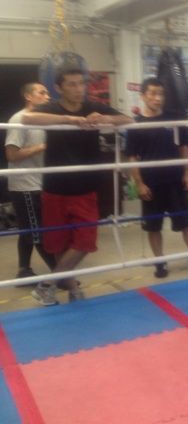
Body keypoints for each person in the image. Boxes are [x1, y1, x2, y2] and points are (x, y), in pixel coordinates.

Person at [22, 67, 133, 305]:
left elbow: (128, 119)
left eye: (81, 83)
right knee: (58, 243)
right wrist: (69, 120)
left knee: (85, 241)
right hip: (55, 187)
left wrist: (106, 119)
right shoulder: (52, 108)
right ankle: (72, 288)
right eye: (71, 84)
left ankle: (47, 284)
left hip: (86, 187)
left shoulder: (93, 107)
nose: (78, 89)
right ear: (59, 88)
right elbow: (27, 118)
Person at [126, 78, 188, 278]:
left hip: (175, 179)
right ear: (143, 96)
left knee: (186, 221)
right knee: (153, 226)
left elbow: (183, 147)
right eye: (152, 93)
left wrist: (186, 172)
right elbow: (132, 156)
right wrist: (139, 183)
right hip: (151, 182)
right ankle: (160, 262)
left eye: (160, 94)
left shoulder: (173, 119)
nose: (157, 98)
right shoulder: (136, 124)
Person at [5, 82, 57, 281]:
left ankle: (23, 270)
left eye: (47, 92)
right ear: (28, 96)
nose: (47, 96)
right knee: (37, 231)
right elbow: (12, 155)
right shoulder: (19, 119)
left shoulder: (44, 120)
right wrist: (42, 146)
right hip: (25, 185)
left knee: (28, 228)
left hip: (39, 182)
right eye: (42, 92)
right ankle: (61, 274)